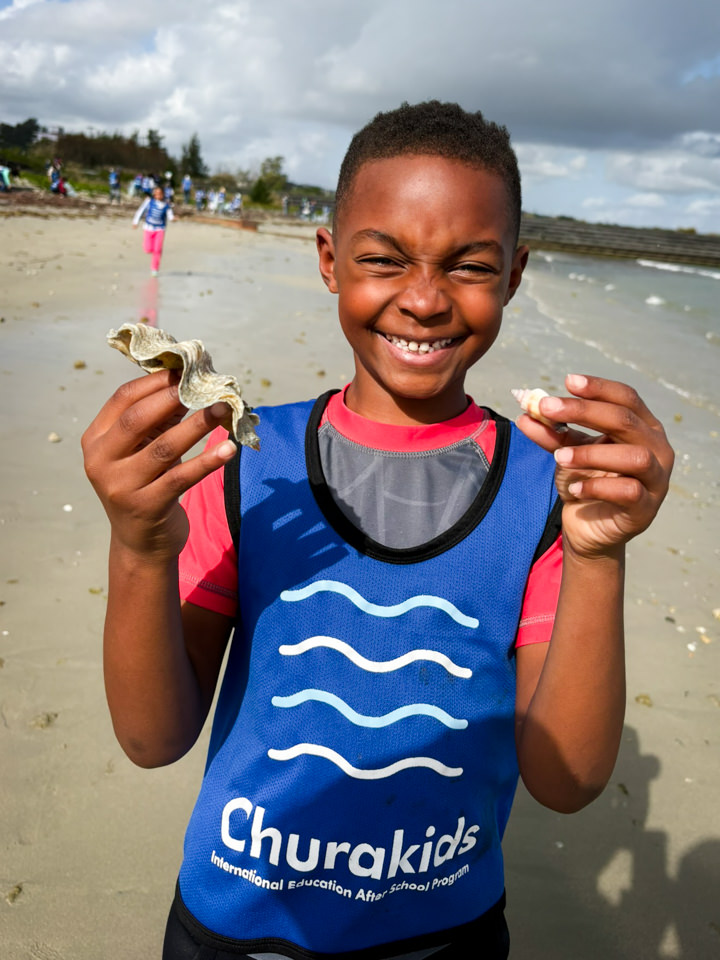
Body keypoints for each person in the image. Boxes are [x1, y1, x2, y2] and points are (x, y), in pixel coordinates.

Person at [82, 101, 673, 960]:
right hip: (239, 932)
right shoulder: (247, 462)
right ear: (330, 260)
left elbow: (570, 779)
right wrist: (138, 545)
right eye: (383, 260)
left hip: (444, 937)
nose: (425, 300)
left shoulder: (549, 497)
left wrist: (600, 550)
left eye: (470, 266)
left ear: (515, 273)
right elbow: (151, 737)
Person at [132, 184, 174, 276]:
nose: (158, 196)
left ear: (163, 195)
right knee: (147, 249)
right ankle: (149, 248)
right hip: (148, 228)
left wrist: (173, 219)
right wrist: (135, 222)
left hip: (160, 229)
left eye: (160, 194)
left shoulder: (166, 205)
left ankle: (155, 268)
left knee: (157, 250)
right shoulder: (149, 201)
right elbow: (141, 211)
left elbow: (170, 215)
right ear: (154, 194)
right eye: (157, 194)